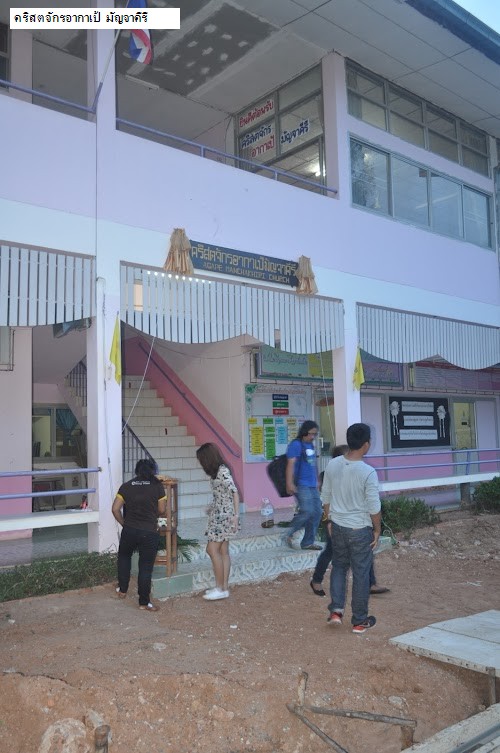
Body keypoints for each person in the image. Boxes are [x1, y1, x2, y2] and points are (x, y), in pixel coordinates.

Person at [321, 423, 381, 634]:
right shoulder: (368, 472)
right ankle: (359, 621)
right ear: (366, 444)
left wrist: (329, 520)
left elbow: (325, 496)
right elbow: (374, 507)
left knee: (339, 566)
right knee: (361, 573)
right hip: (360, 530)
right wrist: (377, 529)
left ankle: (336, 611)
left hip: (337, 526)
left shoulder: (333, 464)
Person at [310, 445, 389, 597]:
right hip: (335, 521)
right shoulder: (329, 473)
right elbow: (325, 499)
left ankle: (371, 583)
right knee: (330, 551)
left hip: (354, 522)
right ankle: (316, 580)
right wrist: (328, 521)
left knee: (365, 550)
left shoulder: (356, 472)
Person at [112, 458, 167, 612]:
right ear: (153, 471)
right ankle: (143, 602)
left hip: (129, 530)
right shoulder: (157, 486)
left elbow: (115, 509)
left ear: (137, 471)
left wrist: (124, 524)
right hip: (149, 531)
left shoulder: (126, 486)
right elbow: (162, 510)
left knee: (124, 557)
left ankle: (122, 590)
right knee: (145, 567)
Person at [196, 442, 240, 601]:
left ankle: (220, 588)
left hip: (223, 517)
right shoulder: (218, 472)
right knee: (223, 551)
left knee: (211, 549)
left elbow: (234, 492)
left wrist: (236, 515)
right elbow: (222, 494)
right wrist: (211, 507)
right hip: (219, 514)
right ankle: (223, 588)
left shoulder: (222, 471)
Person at [284, 420, 322, 551]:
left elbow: (312, 464)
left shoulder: (310, 445)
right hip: (301, 484)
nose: (312, 437)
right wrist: (289, 483)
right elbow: (290, 464)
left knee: (317, 512)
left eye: (315, 434)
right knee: (307, 510)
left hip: (312, 484)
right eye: (311, 434)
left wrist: (317, 481)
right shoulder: (296, 444)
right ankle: (289, 533)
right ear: (304, 432)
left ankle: (307, 542)